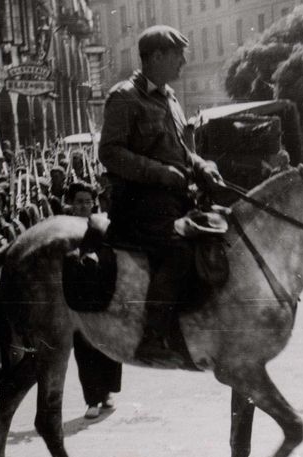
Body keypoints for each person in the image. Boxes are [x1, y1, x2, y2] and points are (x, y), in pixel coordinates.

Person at [98, 25, 224, 367]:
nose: (183, 63)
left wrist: (202, 165)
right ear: (156, 57)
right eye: (178, 56)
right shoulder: (124, 97)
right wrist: (158, 172)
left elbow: (182, 152)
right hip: (138, 207)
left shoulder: (170, 98)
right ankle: (152, 336)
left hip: (173, 201)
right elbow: (109, 153)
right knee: (181, 249)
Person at [65, 183, 123, 419]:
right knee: (84, 350)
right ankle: (91, 399)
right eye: (78, 201)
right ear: (71, 204)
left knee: (108, 346)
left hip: (102, 292)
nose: (83, 206)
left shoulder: (101, 224)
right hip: (77, 296)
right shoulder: (63, 227)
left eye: (87, 201)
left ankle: (108, 391)